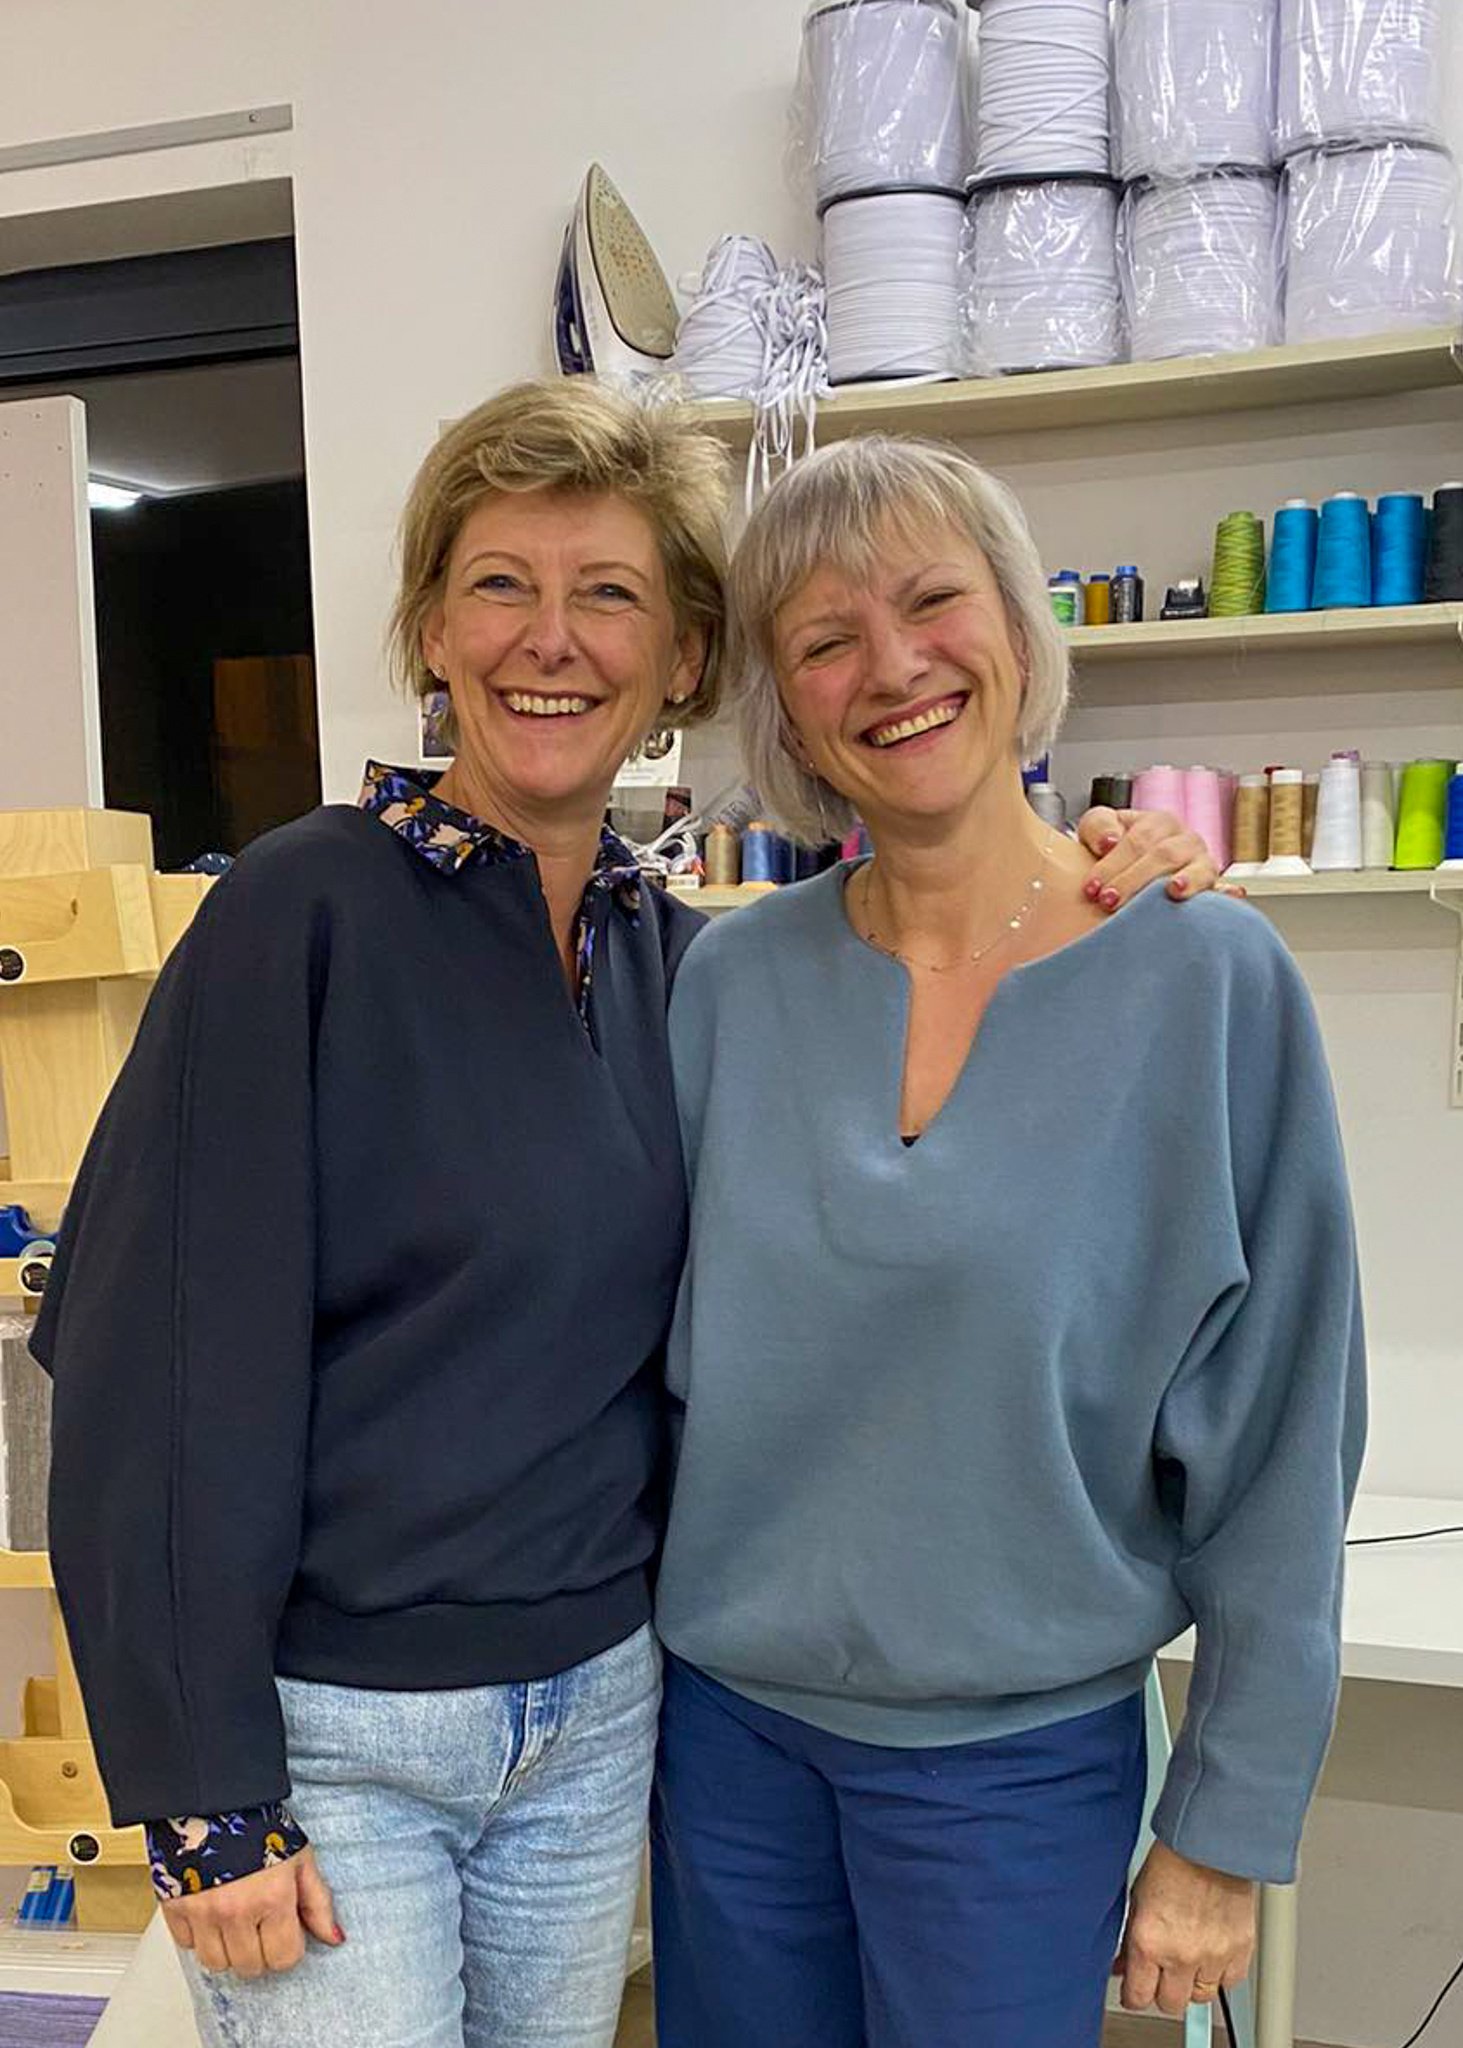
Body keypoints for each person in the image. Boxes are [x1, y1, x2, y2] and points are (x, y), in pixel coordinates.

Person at [32, 382, 1219, 2048]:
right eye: (500, 585)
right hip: (341, 1736)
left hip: (599, 1720)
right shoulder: (302, 914)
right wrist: (200, 1788)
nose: (553, 639)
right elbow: (145, 1361)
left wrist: (1111, 861)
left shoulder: (686, 967)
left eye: (610, 594)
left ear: (682, 661)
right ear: (431, 630)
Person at [650, 435, 1366, 2048]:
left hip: (1014, 1774)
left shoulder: (1205, 979)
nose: (892, 667)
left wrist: (1226, 1822)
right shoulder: (728, 987)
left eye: (931, 603)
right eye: (826, 640)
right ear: (786, 710)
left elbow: (1284, 1438)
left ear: (1019, 631)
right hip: (730, 1750)